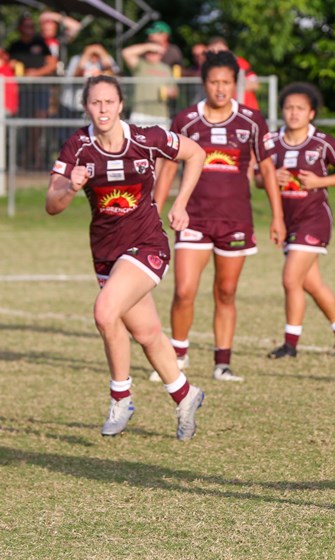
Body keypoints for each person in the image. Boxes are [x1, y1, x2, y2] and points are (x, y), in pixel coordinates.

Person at [45, 75, 206, 439]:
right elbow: (51, 205)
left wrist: (180, 203)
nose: (102, 109)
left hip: (147, 244)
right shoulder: (78, 146)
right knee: (147, 333)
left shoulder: (146, 138)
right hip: (105, 252)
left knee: (105, 312)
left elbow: (195, 153)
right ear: (87, 106)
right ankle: (186, 395)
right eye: (95, 103)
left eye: (108, 102)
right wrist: (71, 188)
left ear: (120, 105)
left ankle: (121, 397)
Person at [151, 50, 285, 383]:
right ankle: (177, 356)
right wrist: (153, 209)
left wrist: (277, 216)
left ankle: (222, 363)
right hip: (192, 217)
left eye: (226, 82)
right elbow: (168, 166)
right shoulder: (185, 120)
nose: (221, 89)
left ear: (235, 84)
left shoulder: (252, 120)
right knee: (184, 290)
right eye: (214, 82)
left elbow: (267, 169)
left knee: (226, 291)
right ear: (204, 83)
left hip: (235, 219)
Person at [257, 83, 335, 359]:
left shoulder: (322, 142)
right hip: (288, 221)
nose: (293, 113)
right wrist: (269, 177)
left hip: (314, 219)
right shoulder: (272, 142)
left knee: (291, 279)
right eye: (289, 108)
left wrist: (320, 181)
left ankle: (290, 345)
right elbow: (257, 178)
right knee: (311, 283)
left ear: (311, 113)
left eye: (300, 108)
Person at [7, 13, 58, 169]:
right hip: (21, 91)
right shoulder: (14, 46)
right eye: (27, 26)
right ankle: (27, 157)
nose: (30, 29)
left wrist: (36, 73)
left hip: (40, 88)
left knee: (38, 123)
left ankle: (33, 156)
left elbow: (52, 64)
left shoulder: (40, 43)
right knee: (23, 124)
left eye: (32, 26)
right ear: (20, 28)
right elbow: (6, 65)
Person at [121, 42, 177, 124]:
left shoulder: (166, 69)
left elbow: (175, 91)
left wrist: (171, 92)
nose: (151, 54)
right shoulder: (141, 65)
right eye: (149, 52)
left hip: (161, 115)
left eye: (155, 52)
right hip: (140, 113)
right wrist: (148, 46)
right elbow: (126, 53)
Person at [206, 37, 259, 110]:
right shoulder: (208, 66)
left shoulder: (240, 63)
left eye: (221, 50)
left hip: (246, 108)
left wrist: (231, 87)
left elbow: (255, 84)